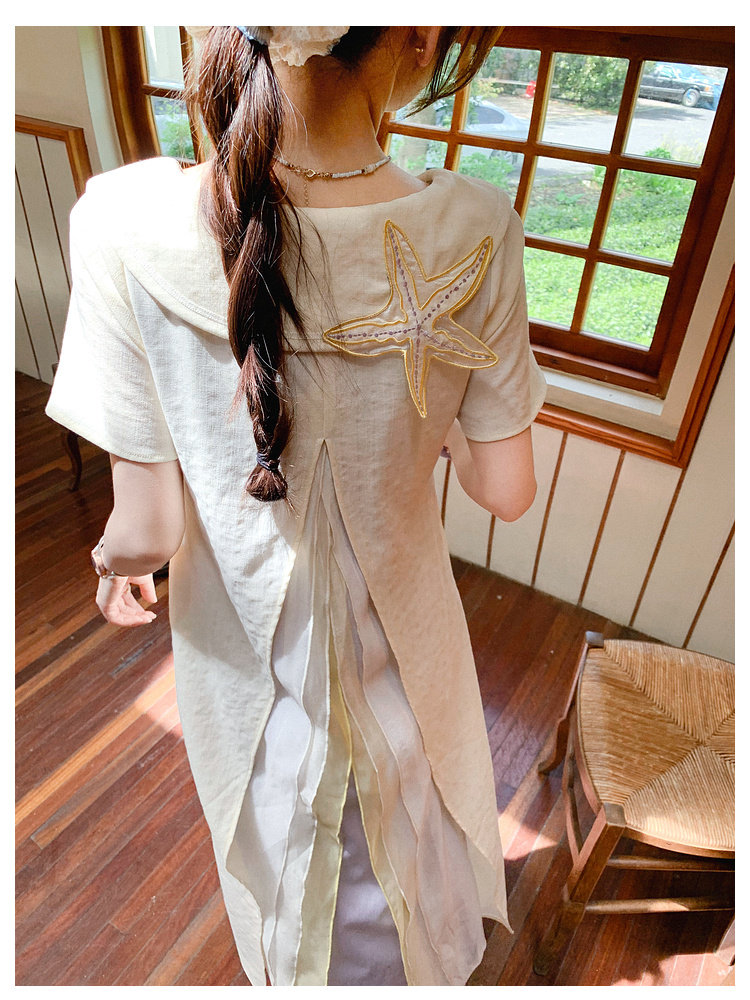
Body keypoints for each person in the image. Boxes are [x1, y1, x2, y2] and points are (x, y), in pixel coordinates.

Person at [45, 25, 547, 987]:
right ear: (419, 35)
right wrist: (428, 424)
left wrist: (115, 565)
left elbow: (147, 529)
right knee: (412, 854)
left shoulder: (121, 220)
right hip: (407, 649)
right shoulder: (475, 226)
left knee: (292, 873)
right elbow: (506, 490)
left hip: (251, 663)